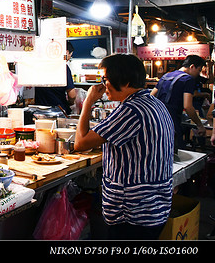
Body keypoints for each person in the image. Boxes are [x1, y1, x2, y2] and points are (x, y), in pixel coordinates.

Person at [74, 53, 174, 240]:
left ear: (126, 81)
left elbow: (80, 143)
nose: (103, 85)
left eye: (106, 79)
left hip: (133, 213)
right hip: (154, 208)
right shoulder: (155, 103)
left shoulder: (130, 110)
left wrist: (88, 101)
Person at [150, 54, 207, 151]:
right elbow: (188, 106)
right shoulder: (188, 79)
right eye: (199, 70)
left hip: (156, 119)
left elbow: (151, 96)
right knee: (176, 150)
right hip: (173, 121)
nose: (198, 73)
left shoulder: (166, 75)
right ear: (192, 66)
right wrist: (200, 125)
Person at [34, 41, 76, 115]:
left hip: (39, 111)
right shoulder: (63, 68)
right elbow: (72, 94)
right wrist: (70, 102)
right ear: (66, 52)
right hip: (58, 111)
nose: (69, 58)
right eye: (70, 55)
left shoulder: (38, 66)